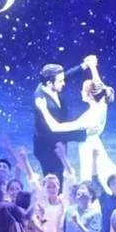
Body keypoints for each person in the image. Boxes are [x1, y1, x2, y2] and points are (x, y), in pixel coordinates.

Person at [34, 59, 116, 192]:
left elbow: (55, 127)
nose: (80, 91)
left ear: (89, 96)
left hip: (88, 149)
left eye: (82, 90)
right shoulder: (102, 103)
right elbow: (99, 85)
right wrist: (91, 67)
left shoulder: (88, 118)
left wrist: (43, 109)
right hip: (92, 145)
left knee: (92, 180)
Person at [32, 55, 97, 187]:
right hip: (48, 147)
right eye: (60, 81)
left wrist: (84, 65)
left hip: (57, 142)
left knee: (60, 173)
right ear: (49, 83)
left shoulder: (48, 83)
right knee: (54, 180)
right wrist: (83, 134)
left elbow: (65, 76)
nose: (64, 83)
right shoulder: (43, 102)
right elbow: (51, 132)